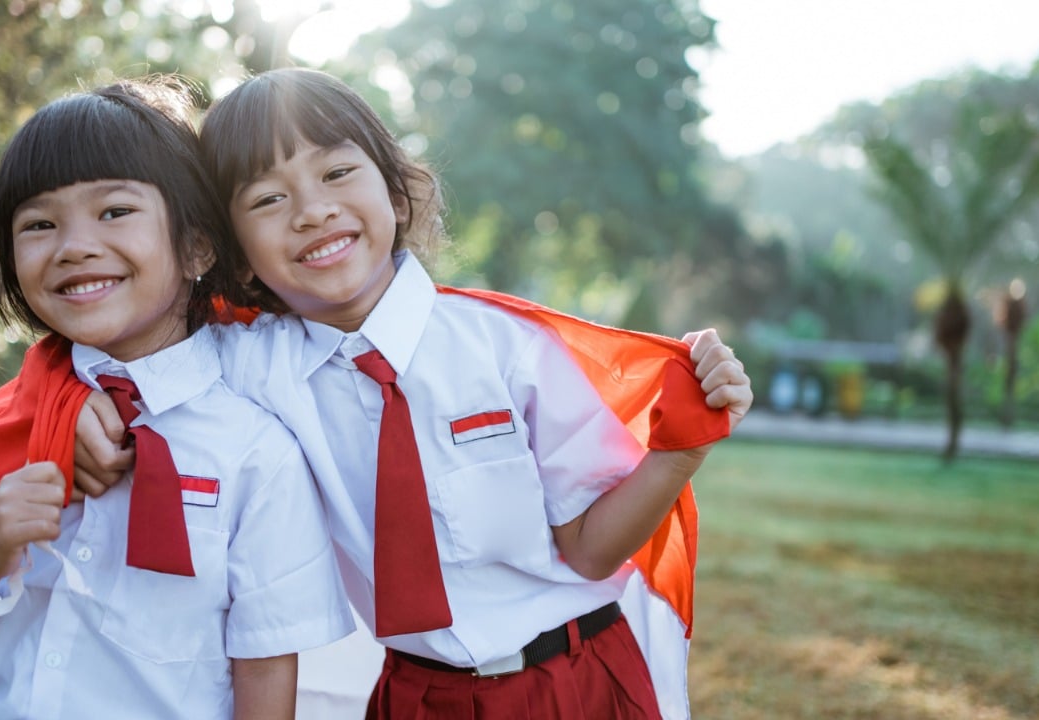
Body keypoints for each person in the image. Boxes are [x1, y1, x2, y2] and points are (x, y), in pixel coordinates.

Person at [77, 67, 753, 719]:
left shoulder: (507, 347)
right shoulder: (248, 364)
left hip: (574, 682)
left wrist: (678, 455)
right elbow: (121, 351)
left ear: (398, 195)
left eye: (337, 172)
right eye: (268, 199)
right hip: (418, 698)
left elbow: (588, 548)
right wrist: (73, 404)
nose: (313, 211)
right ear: (236, 250)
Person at [0, 78, 353, 720]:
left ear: (198, 244)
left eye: (114, 211)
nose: (74, 246)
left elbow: (264, 668)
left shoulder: (257, 449)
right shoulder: (4, 426)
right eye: (39, 223)